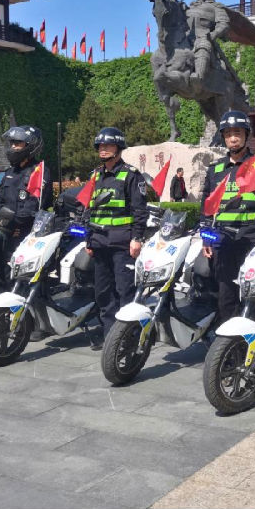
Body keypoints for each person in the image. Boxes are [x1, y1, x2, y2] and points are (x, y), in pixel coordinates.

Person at [200, 110, 255, 323]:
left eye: (237, 133)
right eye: (228, 134)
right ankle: (229, 341)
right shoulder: (215, 169)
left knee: (254, 297)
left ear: (246, 135)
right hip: (223, 241)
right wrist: (206, 238)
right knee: (226, 297)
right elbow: (206, 209)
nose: (233, 138)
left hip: (253, 240)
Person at [84, 127, 149, 350]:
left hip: (123, 244)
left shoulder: (131, 175)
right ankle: (110, 336)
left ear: (119, 148)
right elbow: (88, 209)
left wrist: (137, 238)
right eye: (100, 146)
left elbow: (140, 210)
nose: (103, 150)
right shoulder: (95, 175)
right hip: (100, 242)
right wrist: (89, 239)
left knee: (125, 291)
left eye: (108, 146)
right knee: (103, 292)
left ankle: (129, 337)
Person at [0, 125, 52, 258]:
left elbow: (34, 205)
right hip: (4, 229)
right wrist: (1, 220)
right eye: (12, 143)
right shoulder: (10, 171)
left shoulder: (39, 171)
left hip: (25, 233)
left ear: (30, 145)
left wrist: (14, 224)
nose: (13, 146)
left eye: (18, 143)